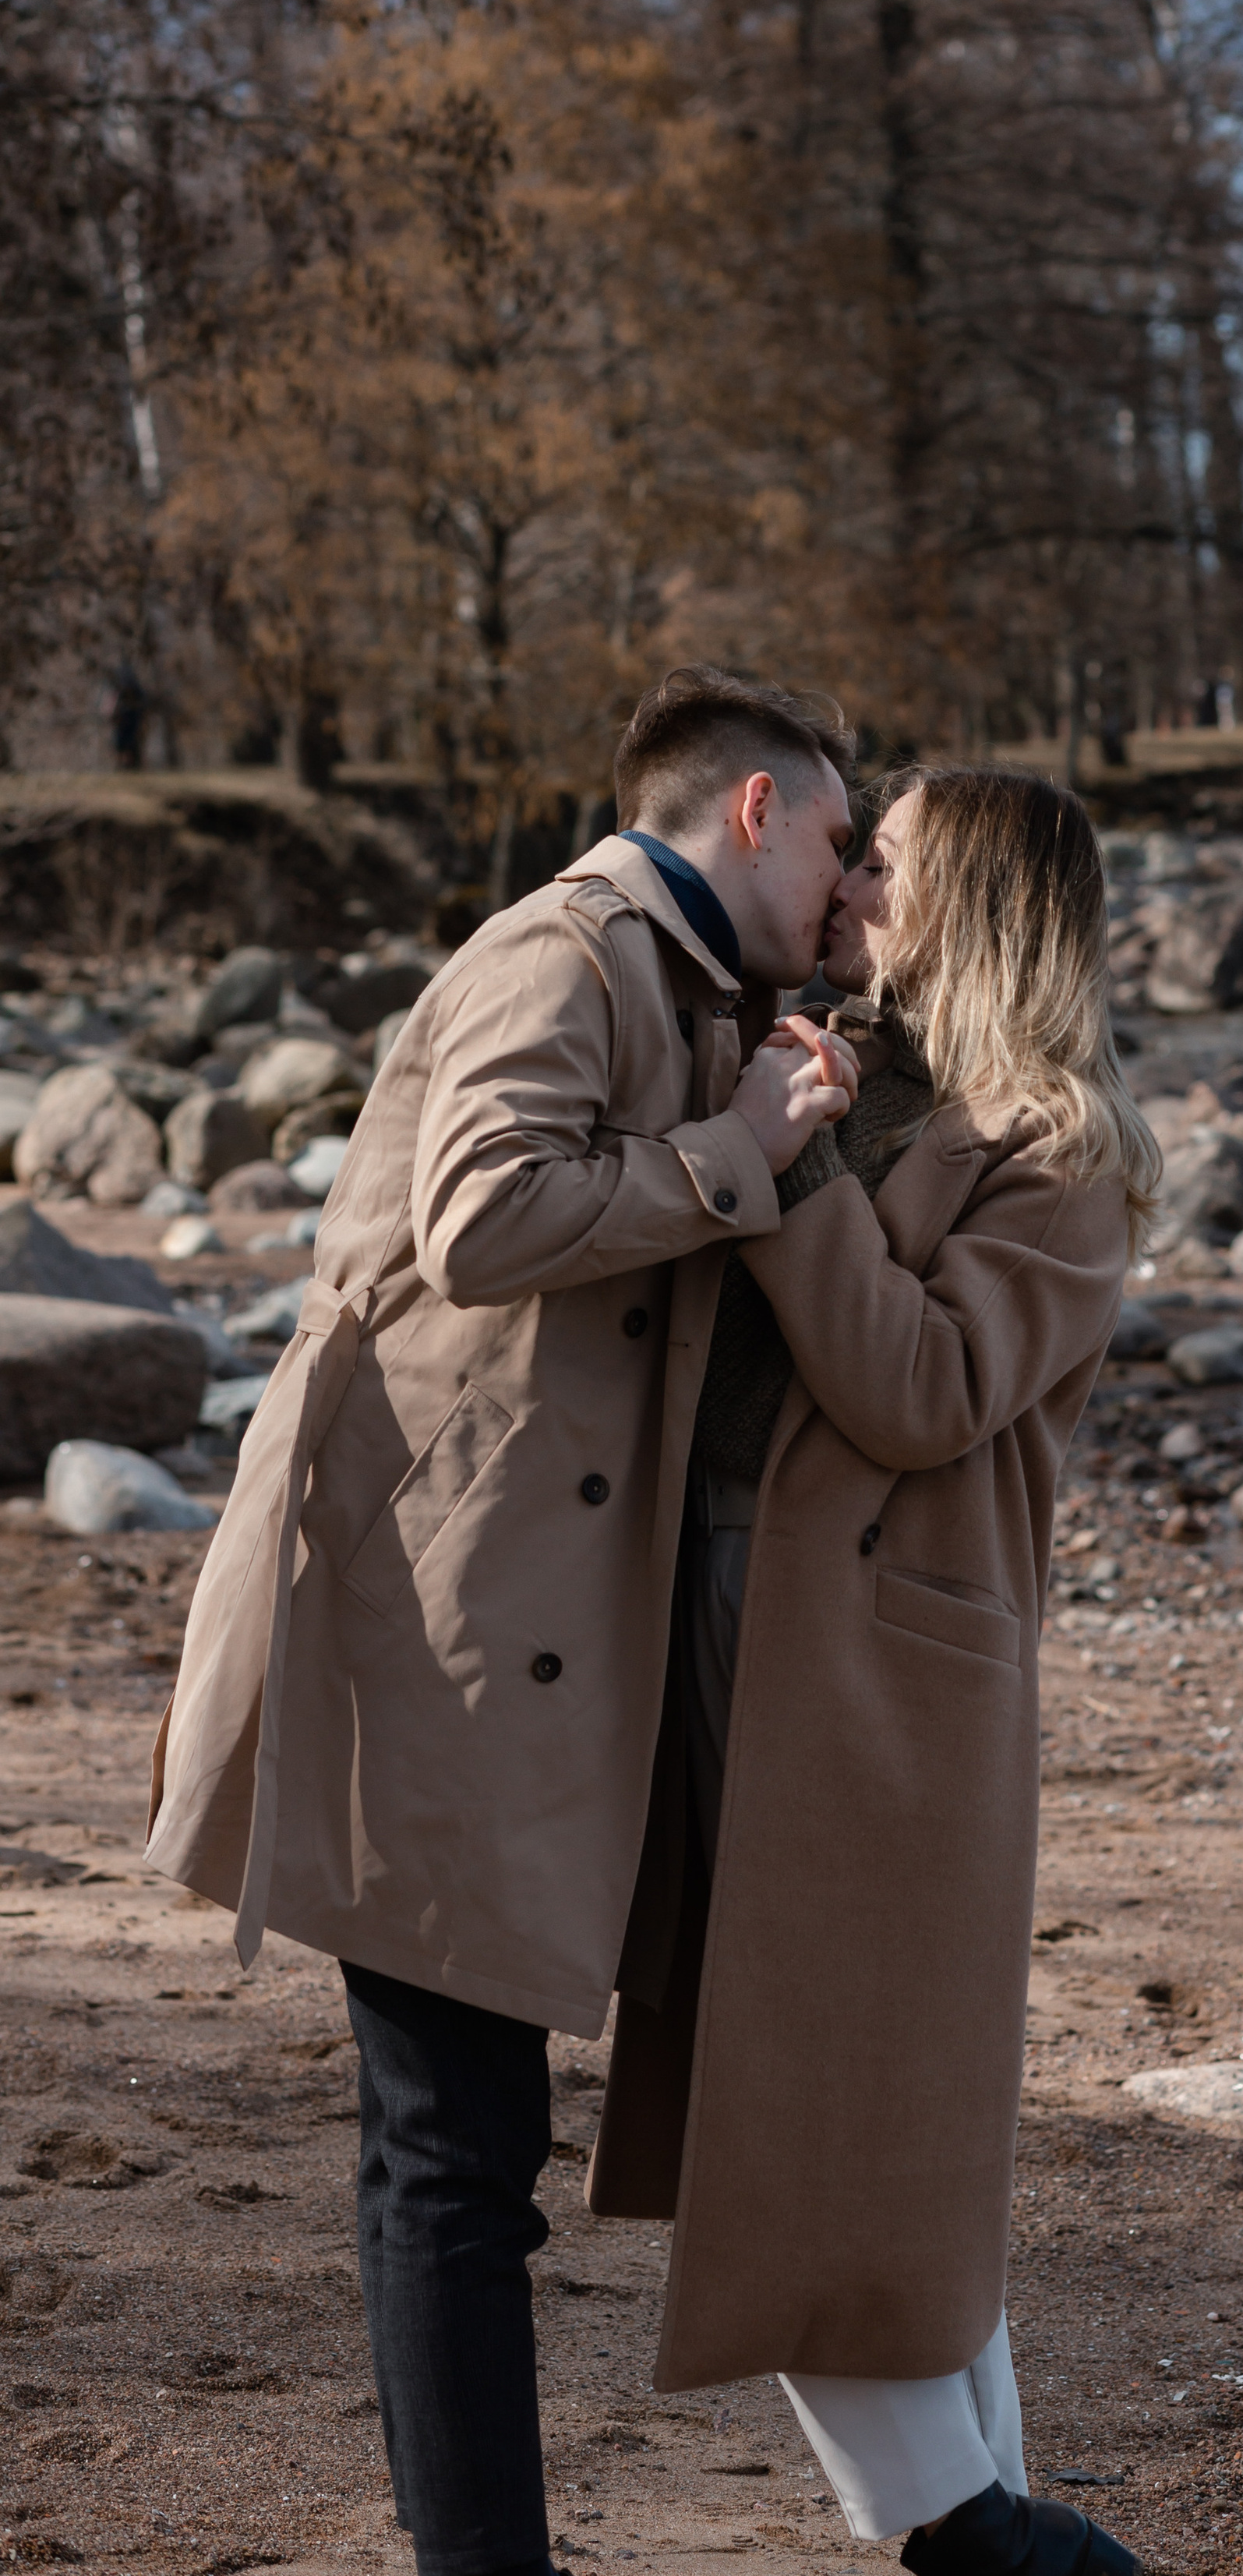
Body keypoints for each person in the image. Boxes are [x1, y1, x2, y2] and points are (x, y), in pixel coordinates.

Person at [144, 664, 864, 2576]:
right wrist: (744, 1151)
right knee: (454, 2156)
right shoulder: (558, 953)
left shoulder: (703, 984)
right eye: (840, 842)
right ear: (753, 814)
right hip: (435, 1623)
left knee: (468, 2152)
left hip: (521, 1622)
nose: (850, 886)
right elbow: (479, 1219)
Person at [588, 765, 1160, 2576]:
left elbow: (919, 1391)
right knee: (823, 2113)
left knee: (842, 2124)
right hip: (756, 1632)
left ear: (966, 904)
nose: (846, 885)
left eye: (883, 861)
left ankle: (984, 2545)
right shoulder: (845, 1062)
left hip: (879, 1686)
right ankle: (986, 2535)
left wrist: (796, 1160)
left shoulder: (1062, 1153)